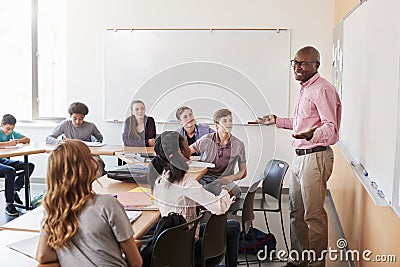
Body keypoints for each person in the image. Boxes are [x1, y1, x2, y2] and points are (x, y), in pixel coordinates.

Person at [257, 46, 342, 267]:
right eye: (295, 62)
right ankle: (299, 260)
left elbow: (331, 128)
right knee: (296, 211)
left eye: (303, 63)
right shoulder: (305, 89)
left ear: (316, 65)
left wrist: (312, 133)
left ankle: (315, 264)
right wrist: (276, 120)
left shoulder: (322, 89)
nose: (297, 67)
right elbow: (302, 124)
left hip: (315, 157)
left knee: (313, 215)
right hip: (300, 156)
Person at [36, 139, 142, 267]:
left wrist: (70, 254)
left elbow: (42, 256)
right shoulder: (108, 205)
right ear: (84, 167)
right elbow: (136, 262)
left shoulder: (53, 209)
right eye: (90, 156)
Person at [151, 131, 240, 267]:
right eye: (186, 144)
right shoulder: (185, 182)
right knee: (234, 226)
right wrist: (226, 191)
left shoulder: (159, 177)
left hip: (169, 244)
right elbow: (219, 207)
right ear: (180, 152)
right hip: (187, 248)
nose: (190, 147)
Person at [190, 108, 247, 198]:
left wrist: (230, 178)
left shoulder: (238, 145)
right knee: (193, 189)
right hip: (204, 179)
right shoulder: (207, 139)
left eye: (230, 120)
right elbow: (187, 151)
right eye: (224, 121)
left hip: (223, 181)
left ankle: (207, 197)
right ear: (217, 125)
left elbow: (243, 172)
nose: (228, 124)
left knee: (236, 191)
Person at [45, 102, 106, 175]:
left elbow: (99, 138)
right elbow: (48, 138)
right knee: (58, 162)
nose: (77, 122)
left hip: (87, 153)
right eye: (75, 118)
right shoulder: (65, 124)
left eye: (81, 119)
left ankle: (96, 185)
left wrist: (93, 145)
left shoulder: (91, 126)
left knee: (98, 163)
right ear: (70, 116)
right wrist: (60, 142)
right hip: (69, 153)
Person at [0, 114, 35, 216]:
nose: (10, 132)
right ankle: (9, 203)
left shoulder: (11, 133)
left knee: (29, 166)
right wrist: (8, 144)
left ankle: (14, 189)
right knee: (10, 171)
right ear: (1, 124)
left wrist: (17, 141)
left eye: (12, 129)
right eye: (8, 129)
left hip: (3, 160)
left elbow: (27, 139)